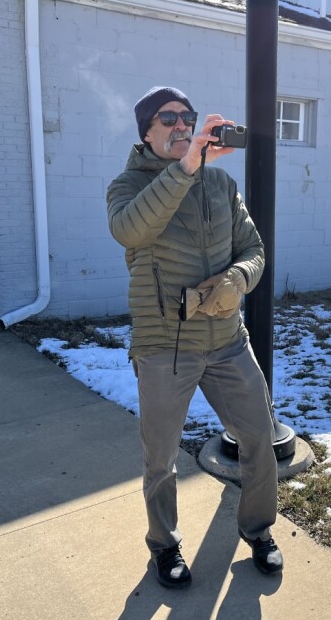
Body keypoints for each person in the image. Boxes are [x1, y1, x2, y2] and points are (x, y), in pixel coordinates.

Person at [106, 86, 282, 589]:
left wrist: (237, 281)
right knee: (160, 459)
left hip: (227, 340)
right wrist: (184, 171)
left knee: (258, 440)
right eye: (169, 118)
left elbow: (253, 249)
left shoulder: (221, 183)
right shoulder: (126, 187)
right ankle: (164, 546)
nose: (182, 126)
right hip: (166, 347)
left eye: (189, 118)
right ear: (147, 129)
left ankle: (259, 530)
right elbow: (130, 231)